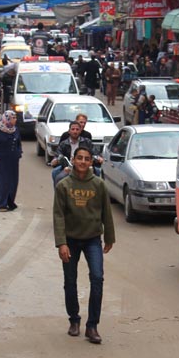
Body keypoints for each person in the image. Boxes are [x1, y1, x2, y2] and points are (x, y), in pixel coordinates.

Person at [53, 146, 115, 344]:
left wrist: (110, 237)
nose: (82, 162)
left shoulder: (98, 185)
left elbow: (107, 212)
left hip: (92, 239)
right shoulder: (63, 185)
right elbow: (58, 216)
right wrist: (61, 243)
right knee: (70, 281)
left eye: (86, 159)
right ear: (73, 160)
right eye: (79, 158)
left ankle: (92, 326)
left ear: (91, 162)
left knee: (97, 278)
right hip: (70, 240)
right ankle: (74, 320)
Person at [51, 121, 100, 186]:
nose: (75, 131)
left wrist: (98, 158)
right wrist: (56, 160)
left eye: (77, 129)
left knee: (98, 176)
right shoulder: (63, 144)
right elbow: (58, 154)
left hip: (85, 166)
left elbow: (95, 152)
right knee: (58, 177)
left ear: (80, 131)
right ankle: (59, 192)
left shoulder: (87, 142)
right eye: (73, 129)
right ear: (69, 131)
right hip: (69, 167)